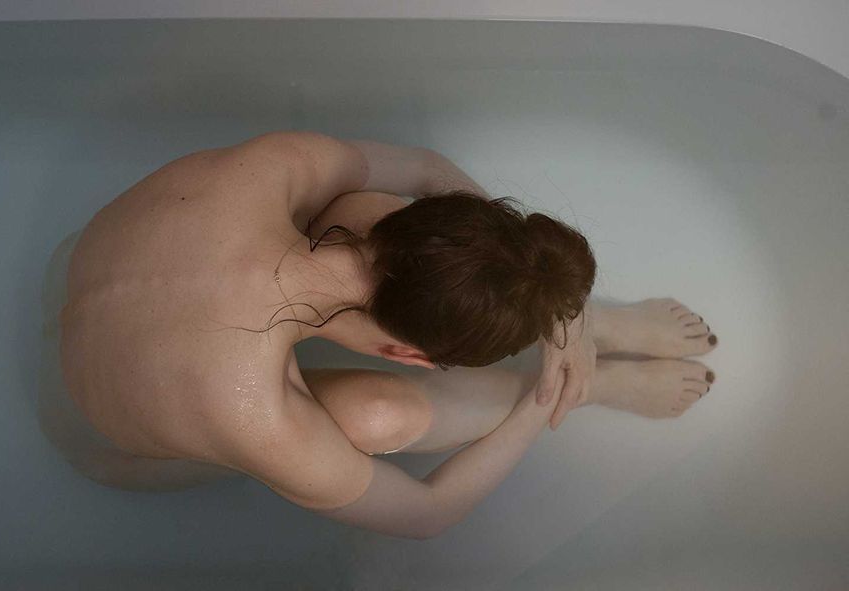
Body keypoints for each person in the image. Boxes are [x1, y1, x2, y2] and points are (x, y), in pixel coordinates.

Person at [38, 131, 717, 539]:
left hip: (78, 263)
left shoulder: (277, 166)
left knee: (360, 203)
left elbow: (422, 167)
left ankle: (586, 326)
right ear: (409, 355)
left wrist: (561, 309)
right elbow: (425, 512)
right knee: (379, 416)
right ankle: (586, 385)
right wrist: (547, 398)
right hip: (94, 434)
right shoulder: (253, 417)